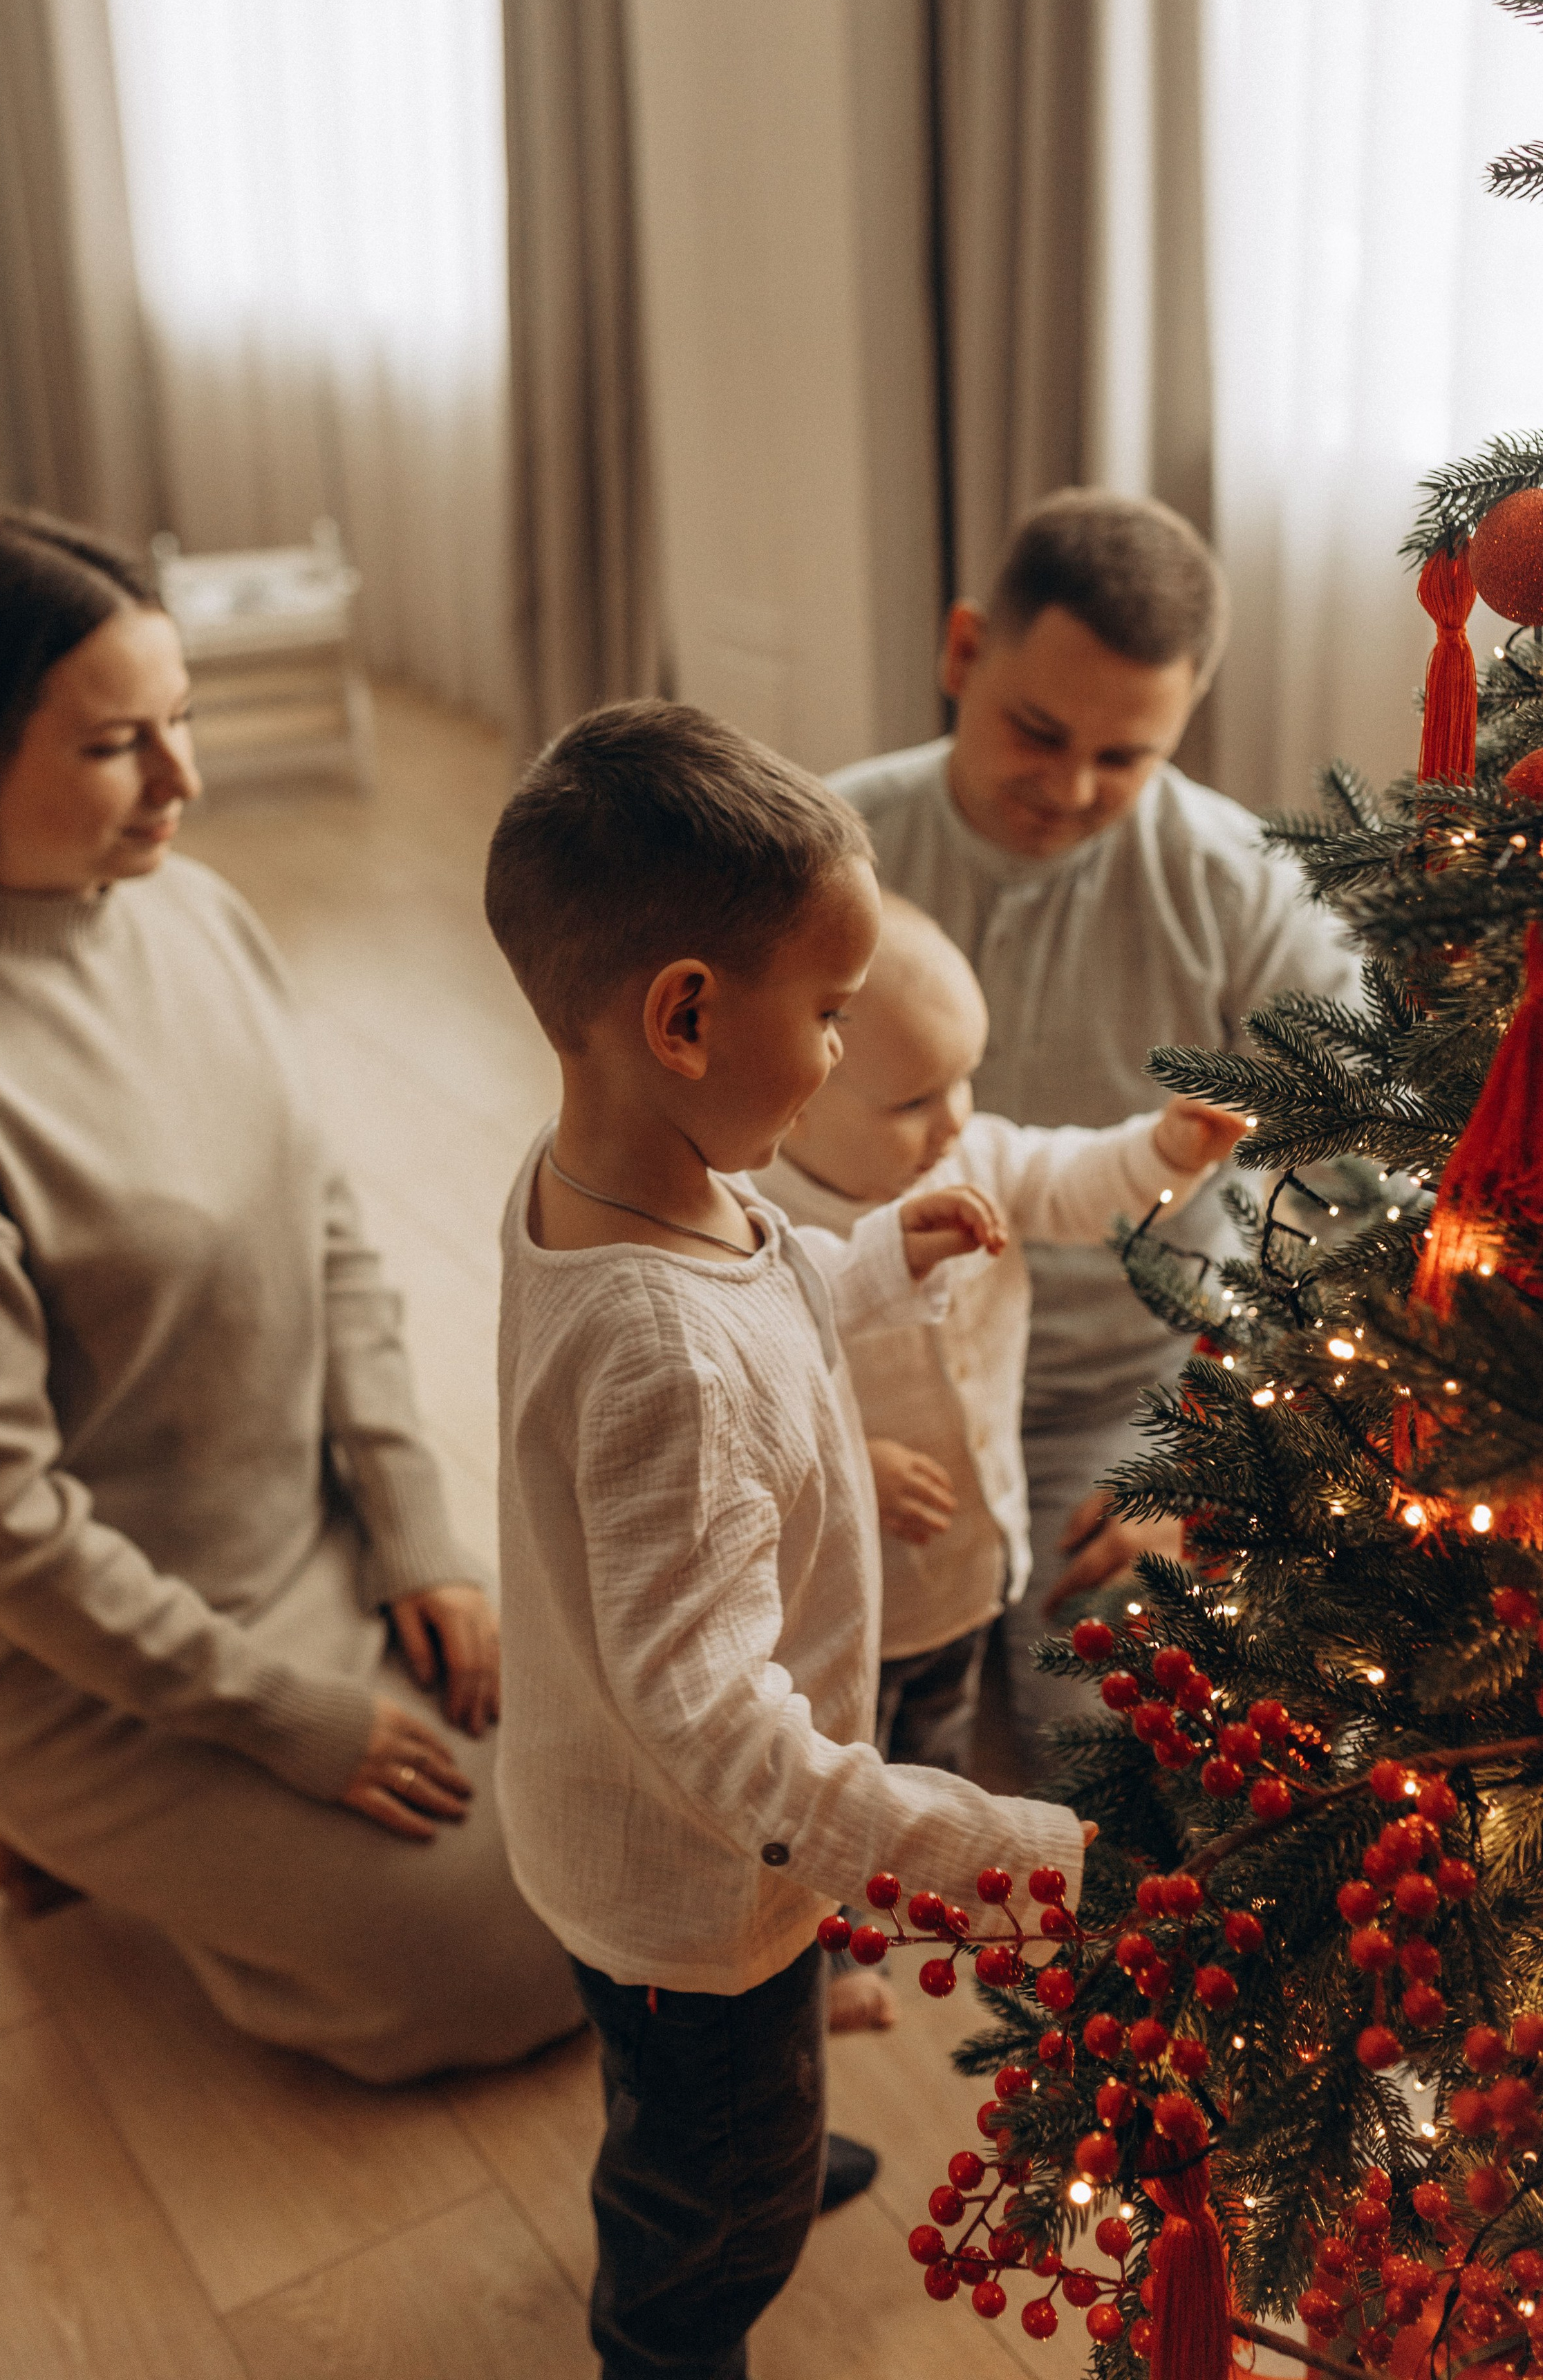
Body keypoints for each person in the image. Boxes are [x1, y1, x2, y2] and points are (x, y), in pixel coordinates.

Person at [0, 509, 578, 2086]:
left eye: (184, 723)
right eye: (118, 746)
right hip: (92, 1666)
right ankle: (91, 1839)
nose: (182, 784)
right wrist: (287, 1719)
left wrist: (414, 1530)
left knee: (631, 1812)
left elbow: (334, 1238)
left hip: (323, 1549)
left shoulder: (196, 918)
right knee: (506, 1953)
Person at [482, 700, 1091, 2380]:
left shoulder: (623, 1178)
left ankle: (752, 2143)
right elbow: (714, 1726)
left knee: (707, 2084)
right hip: (693, 1883)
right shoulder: (658, 1346)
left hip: (642, 1839)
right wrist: (983, 1855)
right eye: (826, 1015)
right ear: (682, 1016)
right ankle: (677, 2314)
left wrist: (872, 1260)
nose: (839, 1052)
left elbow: (760, 1300)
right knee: (710, 2184)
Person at [830, 489, 1360, 1769]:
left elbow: (1365, 1184)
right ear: (964, 655)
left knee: (1119, 1744)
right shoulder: (823, 853)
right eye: (1037, 730)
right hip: (856, 1374)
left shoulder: (1241, 884)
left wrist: (1231, 1457)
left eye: (1125, 759)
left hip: (1121, 1387)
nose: (1069, 789)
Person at [753, 894, 1241, 2027]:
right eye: (916, 1098)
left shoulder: (969, 1154)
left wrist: (1167, 1155)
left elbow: (1078, 1180)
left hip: (965, 1565)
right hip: (830, 1601)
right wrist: (849, 1459)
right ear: (798, 1095)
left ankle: (874, 1924)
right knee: (829, 1780)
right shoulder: (758, 1221)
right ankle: (812, 1961)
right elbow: (748, 1386)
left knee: (929, 1743)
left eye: (966, 1080)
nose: (956, 1118)